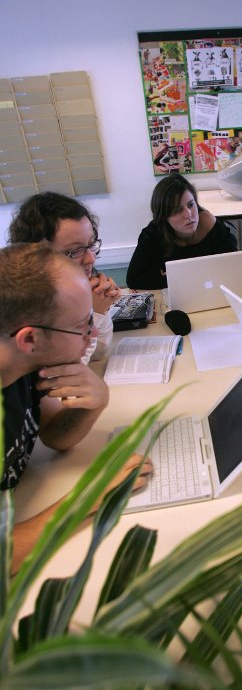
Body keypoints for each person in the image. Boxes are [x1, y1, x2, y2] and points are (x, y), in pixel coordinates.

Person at [0, 243, 150, 573]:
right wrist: (91, 495)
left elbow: (55, 435)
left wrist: (96, 402)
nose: (93, 333)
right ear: (29, 339)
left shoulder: (25, 365)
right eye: (82, 325)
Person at [8, 191, 120, 362]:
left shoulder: (72, 288)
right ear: (37, 257)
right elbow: (66, 371)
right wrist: (93, 314)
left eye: (91, 244)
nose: (91, 258)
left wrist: (99, 309)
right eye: (74, 251)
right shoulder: (26, 306)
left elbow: (99, 353)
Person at [126, 174, 237, 290]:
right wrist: (174, 280)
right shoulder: (154, 233)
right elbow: (134, 279)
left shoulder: (210, 224)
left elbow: (233, 267)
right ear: (164, 217)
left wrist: (174, 277)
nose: (188, 215)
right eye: (177, 210)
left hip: (210, 291)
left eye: (191, 205)